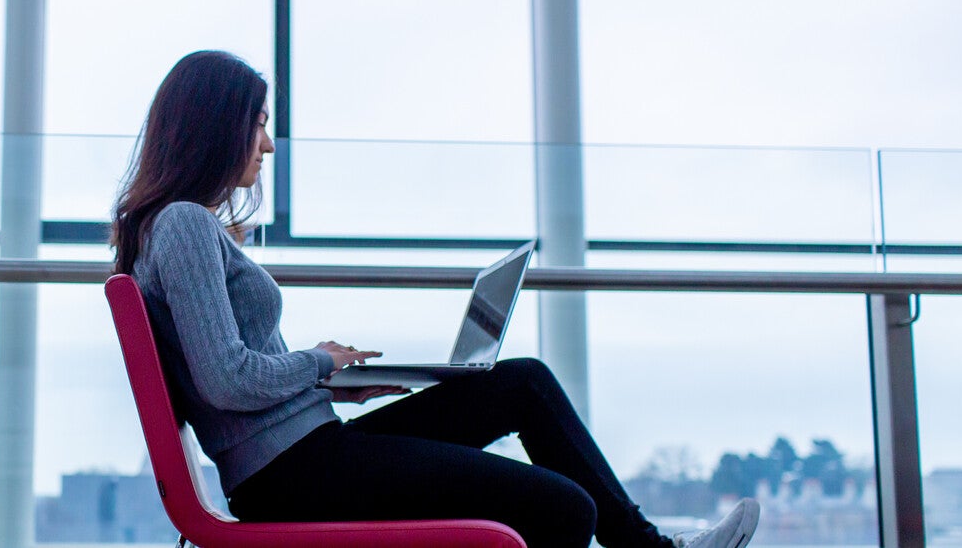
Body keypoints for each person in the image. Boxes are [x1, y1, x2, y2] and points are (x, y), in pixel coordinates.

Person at [110, 50, 759, 548]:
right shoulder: (184, 224)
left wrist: (331, 389)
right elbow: (227, 382)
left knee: (521, 383)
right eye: (259, 126)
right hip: (292, 474)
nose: (269, 145)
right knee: (564, 509)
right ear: (217, 127)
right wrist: (320, 362)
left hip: (305, 450)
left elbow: (228, 382)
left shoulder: (171, 226)